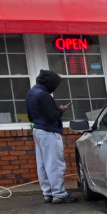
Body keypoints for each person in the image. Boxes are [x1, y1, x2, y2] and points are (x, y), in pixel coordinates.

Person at [26, 69, 78, 204]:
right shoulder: (44, 95)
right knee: (54, 164)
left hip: (37, 130)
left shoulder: (31, 93)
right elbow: (52, 116)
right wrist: (61, 110)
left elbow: (30, 116)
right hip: (49, 131)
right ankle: (59, 194)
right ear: (49, 83)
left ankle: (48, 193)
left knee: (42, 164)